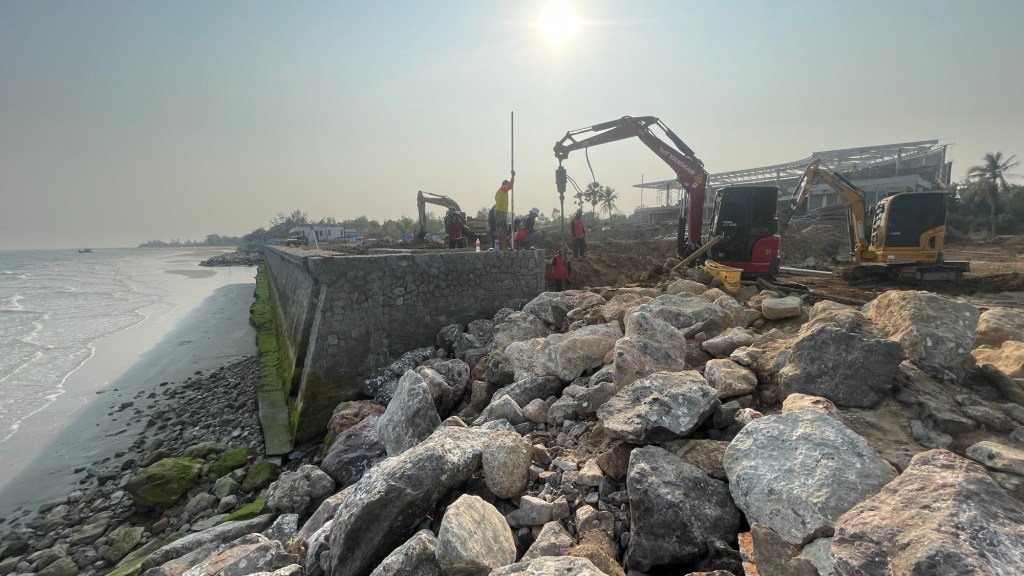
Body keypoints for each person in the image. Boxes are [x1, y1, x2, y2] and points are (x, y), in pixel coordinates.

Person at [494, 171, 515, 250]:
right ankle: (504, 247)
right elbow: (510, 186)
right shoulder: (502, 189)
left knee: (500, 230)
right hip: (501, 212)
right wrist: (513, 177)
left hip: (498, 211)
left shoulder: (499, 192)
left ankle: (501, 247)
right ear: (504, 185)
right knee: (503, 230)